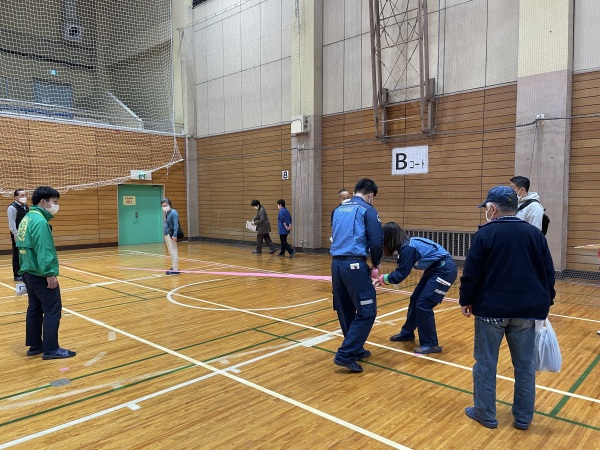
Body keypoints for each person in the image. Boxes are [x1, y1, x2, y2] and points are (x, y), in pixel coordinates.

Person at [459, 186, 555, 430]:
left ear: (492, 209)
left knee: (486, 362)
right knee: (524, 366)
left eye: (487, 208)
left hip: (491, 310)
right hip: (527, 311)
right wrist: (547, 301)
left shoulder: (485, 234)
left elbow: (472, 273)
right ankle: (523, 418)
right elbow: (548, 273)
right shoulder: (534, 235)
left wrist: (465, 299)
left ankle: (485, 412)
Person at [374, 222, 457, 354]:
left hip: (444, 271)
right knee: (415, 300)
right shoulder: (405, 246)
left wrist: (383, 279)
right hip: (435, 269)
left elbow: (401, 274)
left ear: (389, 238)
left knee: (424, 304)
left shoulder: (408, 248)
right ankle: (407, 333)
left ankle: (431, 344)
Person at [330, 178, 383, 372]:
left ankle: (355, 348)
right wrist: (376, 263)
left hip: (336, 264)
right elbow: (376, 241)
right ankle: (345, 353)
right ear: (370, 195)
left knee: (344, 308)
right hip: (354, 264)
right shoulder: (368, 210)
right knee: (367, 310)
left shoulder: (337, 210)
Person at [17, 186, 76, 359]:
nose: (56, 206)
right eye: (54, 202)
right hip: (40, 272)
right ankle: (51, 349)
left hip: (27, 271)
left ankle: (35, 346)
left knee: (34, 308)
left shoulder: (27, 218)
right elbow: (43, 250)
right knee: (52, 309)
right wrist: (49, 273)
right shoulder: (40, 221)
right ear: (43, 202)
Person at [7, 189, 29, 281]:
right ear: (16, 197)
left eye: (25, 195)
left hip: (25, 233)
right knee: (17, 254)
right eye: (22, 195)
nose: (24, 197)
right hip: (17, 234)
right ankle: (17, 274)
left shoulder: (26, 206)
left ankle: (24, 271)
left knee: (24, 253)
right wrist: (15, 235)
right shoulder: (12, 208)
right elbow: (11, 223)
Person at [161, 198, 180, 275]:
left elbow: (176, 225)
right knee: (170, 252)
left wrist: (175, 235)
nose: (164, 207)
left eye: (165, 205)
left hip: (171, 235)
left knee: (174, 252)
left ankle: (175, 269)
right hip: (167, 234)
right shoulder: (167, 213)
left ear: (169, 204)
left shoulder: (173, 212)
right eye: (163, 206)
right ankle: (173, 267)